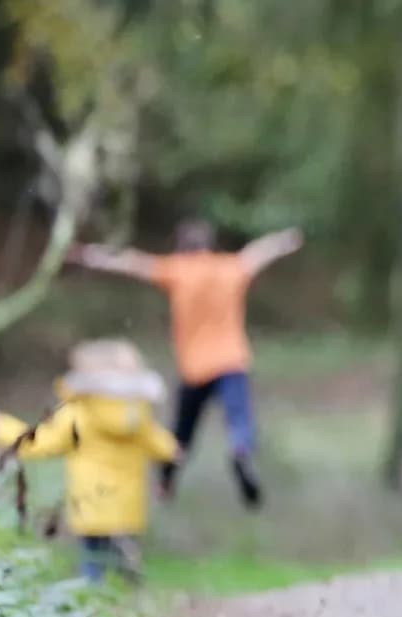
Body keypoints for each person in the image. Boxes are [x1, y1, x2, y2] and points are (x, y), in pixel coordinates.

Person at [66, 218, 303, 508]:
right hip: (232, 361)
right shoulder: (230, 267)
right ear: (209, 245)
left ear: (181, 247)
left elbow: (132, 262)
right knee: (239, 418)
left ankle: (166, 480)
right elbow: (258, 252)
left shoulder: (177, 270)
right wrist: (285, 239)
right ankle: (240, 452)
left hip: (195, 369)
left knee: (182, 431)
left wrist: (89, 254)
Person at [0, 338, 181, 583]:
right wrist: (174, 451)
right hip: (128, 506)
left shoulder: (79, 413)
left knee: (93, 560)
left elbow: (39, 442)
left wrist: (0, 428)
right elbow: (161, 444)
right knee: (122, 558)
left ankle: (94, 595)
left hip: (92, 503)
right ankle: (127, 593)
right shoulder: (137, 415)